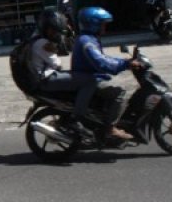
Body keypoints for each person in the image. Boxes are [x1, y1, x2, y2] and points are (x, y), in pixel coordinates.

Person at [71, 7, 142, 140]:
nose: (105, 27)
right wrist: (126, 64)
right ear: (94, 24)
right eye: (102, 24)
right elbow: (102, 63)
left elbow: (104, 58)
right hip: (89, 80)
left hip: (91, 78)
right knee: (120, 93)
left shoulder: (89, 39)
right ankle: (110, 128)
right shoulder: (86, 42)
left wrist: (125, 61)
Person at [30, 9, 96, 135]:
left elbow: (66, 47)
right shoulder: (42, 43)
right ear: (45, 27)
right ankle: (77, 119)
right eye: (52, 29)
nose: (54, 33)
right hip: (47, 79)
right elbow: (57, 64)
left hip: (44, 77)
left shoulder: (36, 38)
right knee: (89, 80)